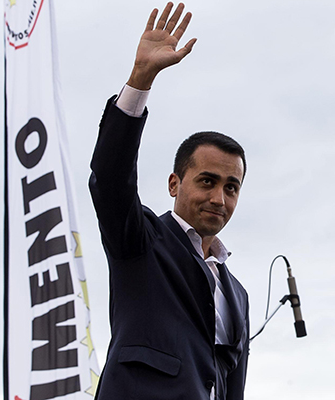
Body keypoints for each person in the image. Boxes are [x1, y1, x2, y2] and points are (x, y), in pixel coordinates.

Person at [89, 3, 249, 399]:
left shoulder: (238, 293)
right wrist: (141, 79)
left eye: (231, 187)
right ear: (174, 183)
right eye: (207, 181)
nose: (219, 197)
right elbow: (110, 180)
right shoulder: (141, 242)